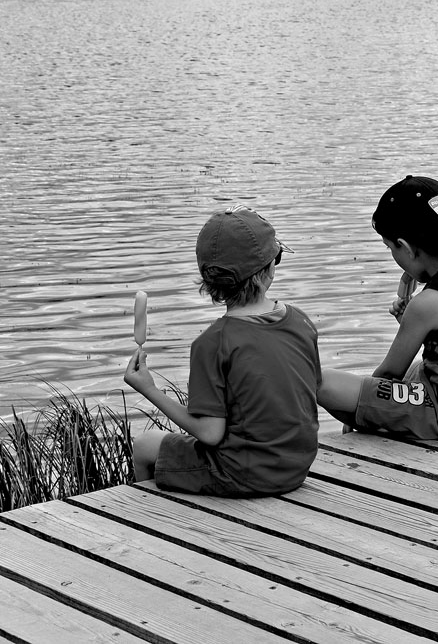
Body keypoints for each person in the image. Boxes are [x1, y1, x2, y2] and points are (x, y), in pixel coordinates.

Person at [124, 205, 321, 495]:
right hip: (296, 468)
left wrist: (149, 389)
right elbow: (312, 389)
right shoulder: (300, 321)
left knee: (144, 446)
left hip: (241, 474)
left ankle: (150, 514)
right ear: (269, 270)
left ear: (208, 282)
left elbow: (210, 434)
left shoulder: (213, 342)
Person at [318, 176, 438, 439]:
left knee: (321, 382)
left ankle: (383, 421)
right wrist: (412, 326)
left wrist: (364, 406)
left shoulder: (428, 302)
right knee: (419, 369)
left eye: (390, 247)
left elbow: (388, 374)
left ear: (406, 248)